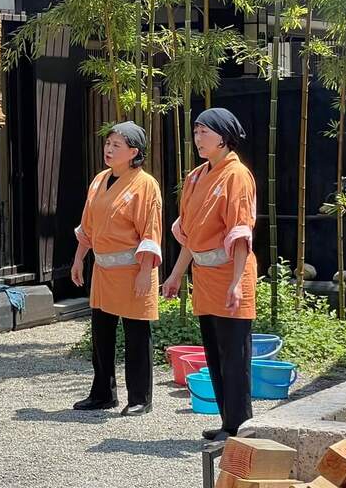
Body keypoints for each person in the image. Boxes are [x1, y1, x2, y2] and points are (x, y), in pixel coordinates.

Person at [162, 107, 257, 442]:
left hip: (231, 273)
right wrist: (175, 275)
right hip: (204, 274)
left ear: (224, 137)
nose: (197, 138)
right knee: (215, 353)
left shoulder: (237, 175)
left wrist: (235, 283)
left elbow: (241, 233)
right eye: (196, 131)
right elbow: (189, 235)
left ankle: (240, 427)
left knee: (235, 355)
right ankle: (227, 422)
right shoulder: (196, 177)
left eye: (204, 132)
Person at [70, 122, 162, 416]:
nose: (108, 149)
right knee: (101, 332)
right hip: (104, 268)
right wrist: (78, 258)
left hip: (134, 268)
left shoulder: (145, 184)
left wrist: (146, 273)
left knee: (136, 332)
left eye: (116, 145)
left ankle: (139, 398)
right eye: (108, 143)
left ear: (134, 152)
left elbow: (150, 232)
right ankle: (103, 393)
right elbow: (88, 226)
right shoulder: (99, 179)